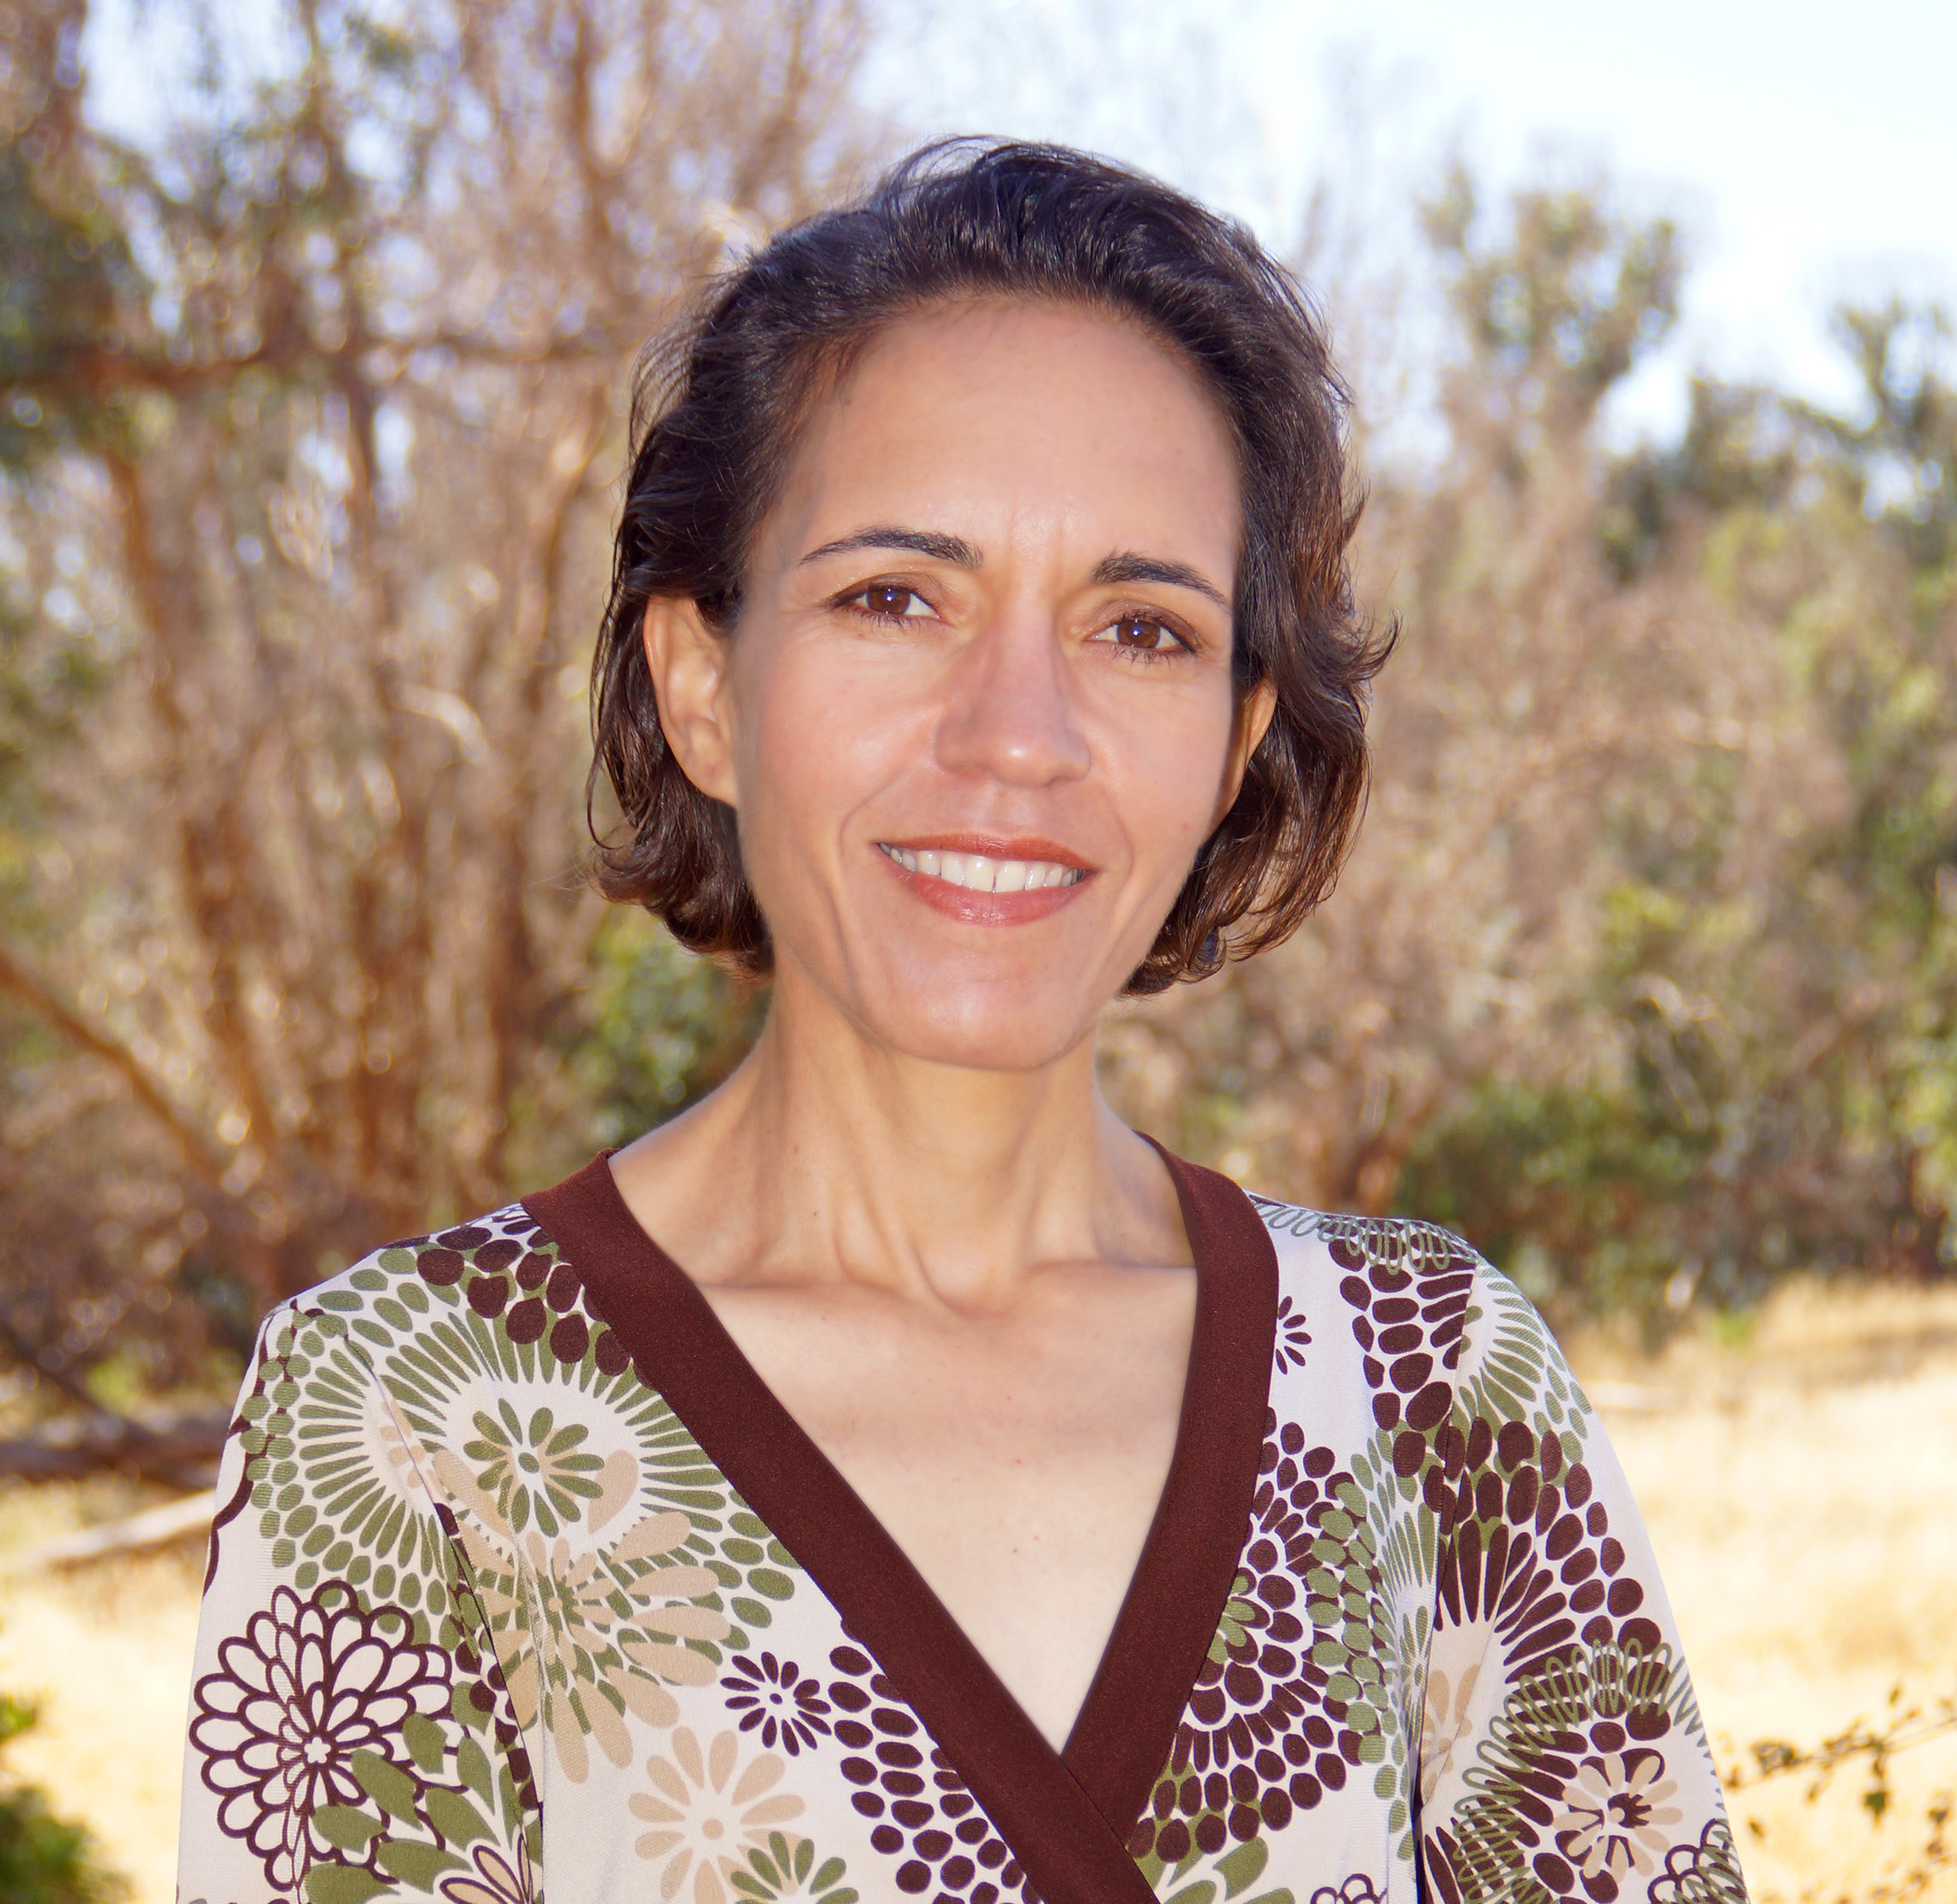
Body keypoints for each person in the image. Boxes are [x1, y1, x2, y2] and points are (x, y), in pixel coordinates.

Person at [178, 141, 1747, 1904]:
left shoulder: (1436, 1389)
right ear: (703, 685)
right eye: (895, 599)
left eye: (1139, 628)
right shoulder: (409, 1424)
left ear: (1230, 752)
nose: (1019, 735)